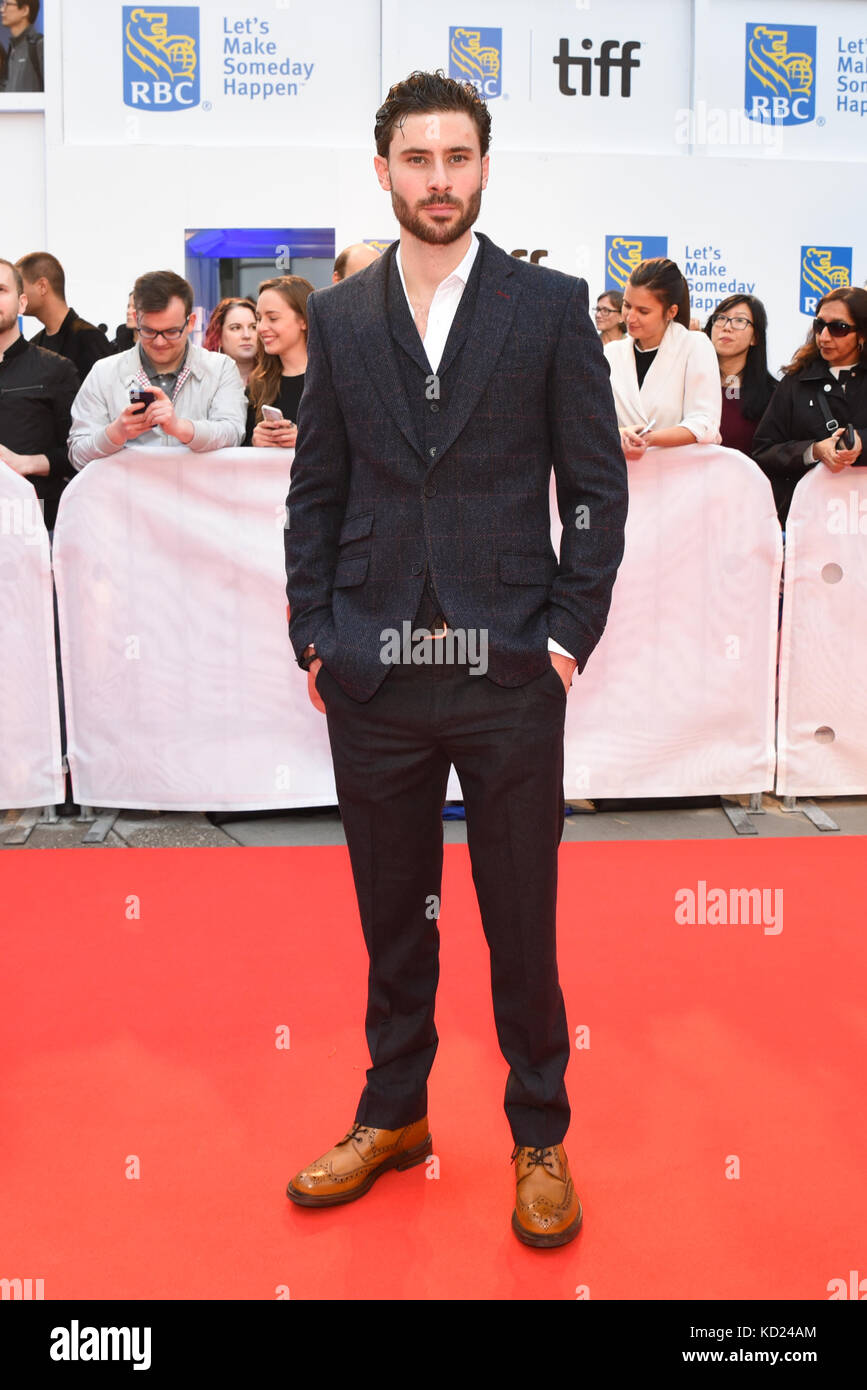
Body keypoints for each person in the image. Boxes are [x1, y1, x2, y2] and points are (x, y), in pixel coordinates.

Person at [283, 71, 628, 1247]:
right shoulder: (338, 318)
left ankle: (540, 1132)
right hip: (374, 672)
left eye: (459, 158)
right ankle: (394, 1115)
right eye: (418, 159)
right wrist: (313, 633)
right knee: (395, 915)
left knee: (519, 918)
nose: (440, 180)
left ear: (485, 166)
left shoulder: (549, 306)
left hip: (510, 671)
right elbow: (314, 490)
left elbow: (594, 491)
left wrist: (570, 636)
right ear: (382, 168)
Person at [68, 269, 247, 469]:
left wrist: (181, 428)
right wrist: (115, 433)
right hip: (126, 498)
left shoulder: (220, 368)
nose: (160, 342)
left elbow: (232, 434)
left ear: (191, 323)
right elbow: (78, 455)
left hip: (197, 498)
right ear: (136, 319)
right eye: (149, 331)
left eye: (171, 331)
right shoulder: (104, 373)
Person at [752, 286, 866, 527]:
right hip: (808, 522)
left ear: (862, 334)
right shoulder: (795, 381)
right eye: (819, 325)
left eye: (838, 328)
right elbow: (764, 449)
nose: (824, 336)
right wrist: (813, 451)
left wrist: (860, 443)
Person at [604, 257, 721, 462]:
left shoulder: (694, 346)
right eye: (627, 305)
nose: (630, 317)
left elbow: (704, 422)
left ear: (671, 311)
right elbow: (594, 419)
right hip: (620, 475)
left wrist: (651, 439)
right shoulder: (611, 353)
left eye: (643, 311)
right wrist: (621, 433)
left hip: (678, 477)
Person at [0, 257, 78, 530]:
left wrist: (25, 463)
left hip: (33, 517)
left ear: (22, 302)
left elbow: (77, 451)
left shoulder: (56, 370)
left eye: (1, 290)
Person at [16, 252, 114, 380]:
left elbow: (108, 392)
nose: (15, 295)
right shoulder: (35, 344)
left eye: (19, 287)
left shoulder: (88, 338)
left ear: (42, 286)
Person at [244, 276, 312, 447]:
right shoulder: (258, 383)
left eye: (273, 318)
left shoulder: (334, 380)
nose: (261, 328)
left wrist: (307, 441)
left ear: (303, 320)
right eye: (258, 319)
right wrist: (255, 440)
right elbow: (239, 449)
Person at [704, 294, 777, 455]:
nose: (726, 327)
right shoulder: (691, 382)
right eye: (721, 318)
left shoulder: (773, 394)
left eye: (739, 321)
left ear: (755, 337)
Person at [203, 297, 258, 386]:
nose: (246, 335)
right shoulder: (203, 383)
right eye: (236, 328)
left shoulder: (275, 379)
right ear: (218, 336)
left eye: (253, 327)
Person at [0, 0, 42, 92]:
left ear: (24, 10)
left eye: (7, 4)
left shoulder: (40, 46)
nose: (2, 9)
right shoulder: (12, 50)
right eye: (2, 4)